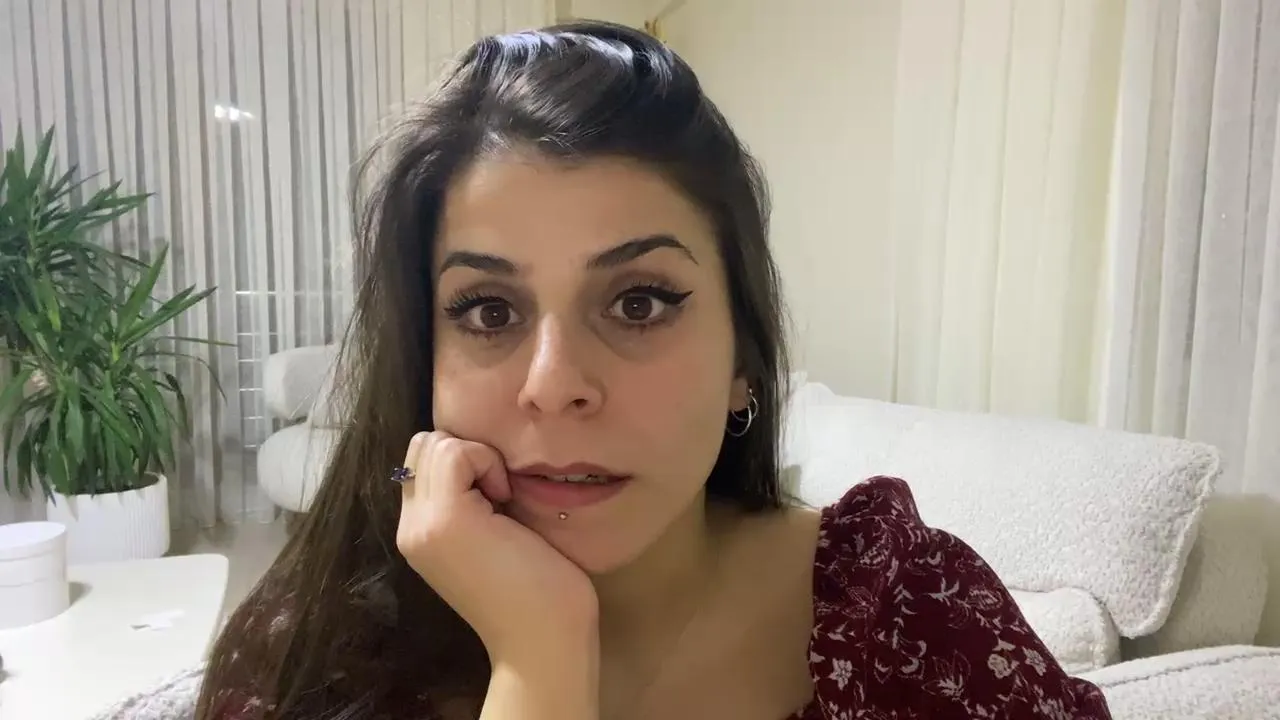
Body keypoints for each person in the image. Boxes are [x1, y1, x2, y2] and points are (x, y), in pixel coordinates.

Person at [196, 20, 1112, 720]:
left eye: (638, 302)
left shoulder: (898, 608)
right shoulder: (309, 661)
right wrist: (538, 660)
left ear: (742, 360)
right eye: (489, 311)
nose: (554, 383)